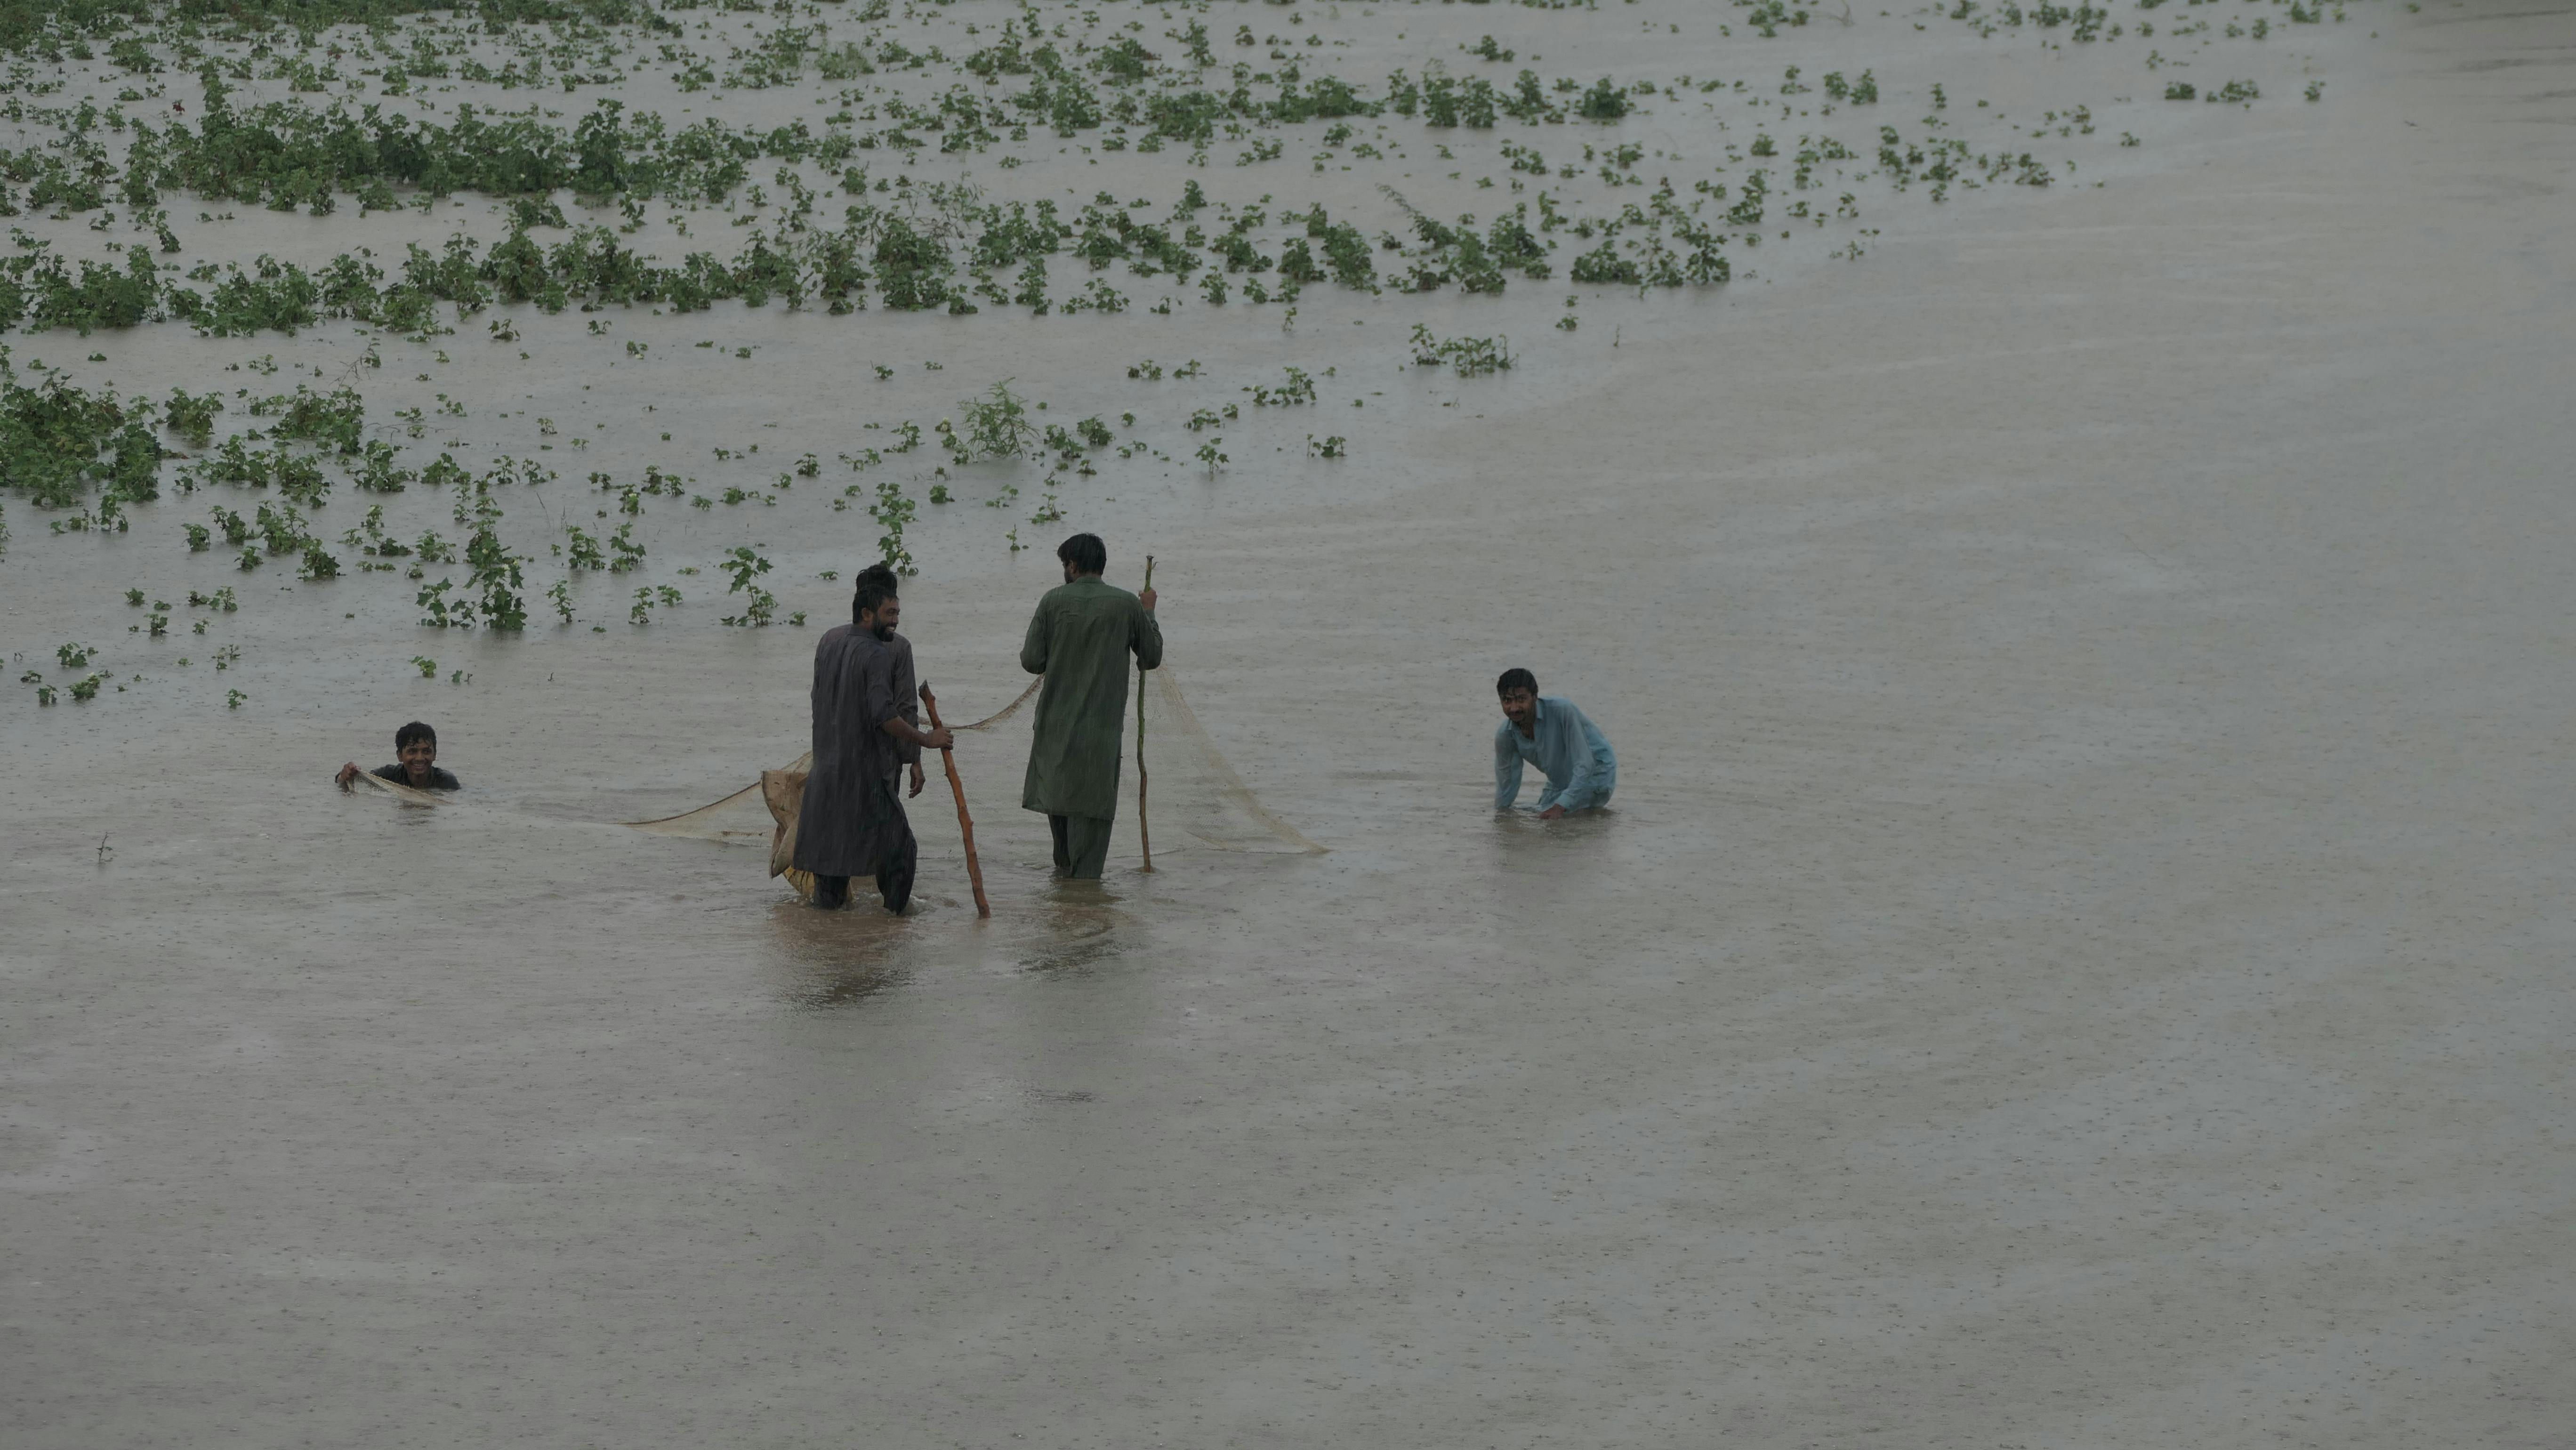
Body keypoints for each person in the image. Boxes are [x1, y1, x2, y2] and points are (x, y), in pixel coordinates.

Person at [795, 570, 954, 911]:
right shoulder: (887, 650)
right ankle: (894, 928)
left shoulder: (829, 640)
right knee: (898, 852)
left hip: (826, 770)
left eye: (897, 613)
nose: (896, 620)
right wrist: (922, 748)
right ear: (869, 609)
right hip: (870, 772)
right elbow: (896, 712)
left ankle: (829, 935)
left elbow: (817, 699)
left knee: (833, 859)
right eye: (891, 612)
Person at [1019, 532, 1161, 879]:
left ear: (1073, 565)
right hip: (1099, 740)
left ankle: (1066, 915)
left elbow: (1031, 660)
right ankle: (1084, 917)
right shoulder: (1127, 604)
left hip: (1054, 735)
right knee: (1089, 864)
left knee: (1064, 850)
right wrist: (1149, 613)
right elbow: (1151, 656)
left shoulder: (1052, 601)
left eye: (1065, 565)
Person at [1493, 668, 1616, 818]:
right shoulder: (1506, 735)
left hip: (1598, 772)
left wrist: (1560, 806)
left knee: (1555, 821)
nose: (1514, 708)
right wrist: (1500, 817)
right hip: (1559, 781)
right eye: (1507, 700)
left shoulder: (1562, 711)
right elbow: (1507, 785)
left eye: (1521, 699)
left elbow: (1586, 763)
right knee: (1536, 813)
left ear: (1535, 697)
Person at [337, 721, 461, 791]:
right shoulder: (389, 776)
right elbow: (355, 784)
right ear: (400, 756)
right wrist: (344, 776)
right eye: (412, 751)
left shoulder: (446, 782)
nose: (419, 758)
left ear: (435, 755)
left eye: (426, 751)